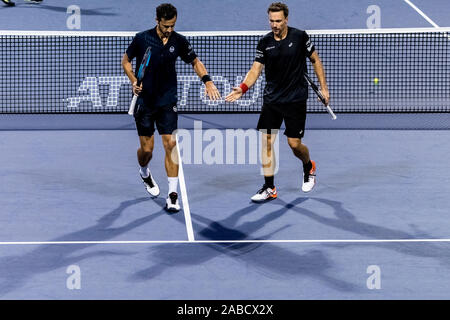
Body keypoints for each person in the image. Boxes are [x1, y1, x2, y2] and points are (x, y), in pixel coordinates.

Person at [225, 2, 329, 202]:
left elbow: (315, 60)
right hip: (272, 100)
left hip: (295, 99)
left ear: (286, 19)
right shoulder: (265, 42)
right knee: (266, 143)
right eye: (272, 21)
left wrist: (323, 88)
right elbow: (255, 69)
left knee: (294, 144)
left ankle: (308, 166)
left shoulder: (300, 37)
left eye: (278, 21)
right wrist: (243, 88)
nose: (275, 24)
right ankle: (269, 187)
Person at [122, 3, 220, 212]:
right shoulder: (142, 38)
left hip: (167, 101)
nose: (169, 30)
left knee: (171, 145)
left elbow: (195, 61)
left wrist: (207, 81)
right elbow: (126, 61)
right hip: (145, 102)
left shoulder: (179, 41)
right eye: (166, 26)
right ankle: (144, 172)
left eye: (172, 25)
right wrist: (133, 80)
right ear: (157, 21)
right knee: (147, 150)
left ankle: (172, 195)